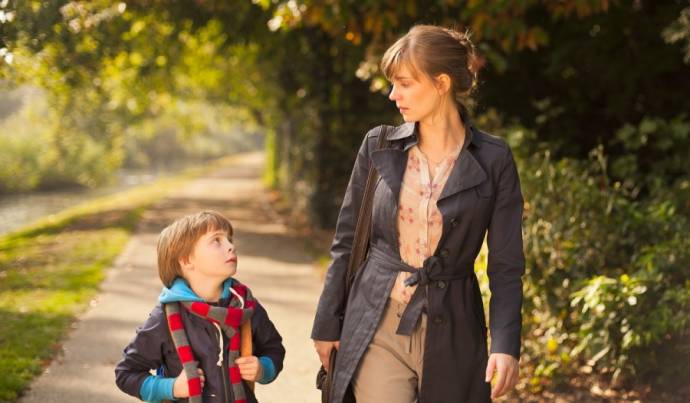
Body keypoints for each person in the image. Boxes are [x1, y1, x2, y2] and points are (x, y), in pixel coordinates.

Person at [311, 25, 525, 403]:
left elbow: (506, 264)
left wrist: (506, 344)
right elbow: (346, 241)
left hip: (455, 329)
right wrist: (327, 321)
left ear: (441, 83)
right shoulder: (378, 145)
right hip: (378, 320)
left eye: (405, 84)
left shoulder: (494, 159)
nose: (394, 95)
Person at [115, 210, 285, 403]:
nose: (231, 247)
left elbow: (273, 348)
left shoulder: (245, 305)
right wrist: (171, 388)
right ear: (187, 260)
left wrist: (263, 369)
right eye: (216, 241)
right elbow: (126, 374)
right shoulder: (166, 316)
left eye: (229, 239)